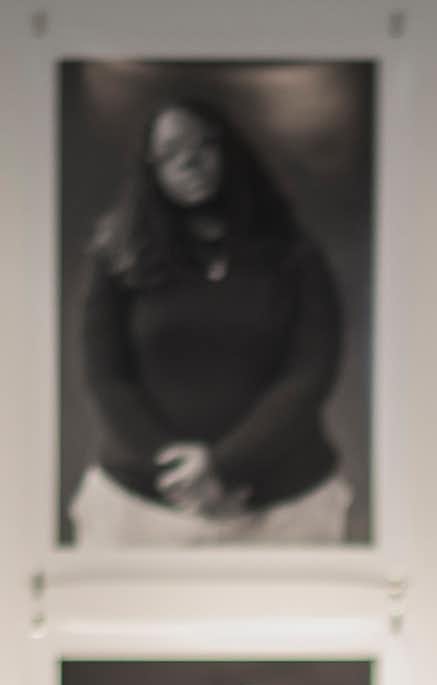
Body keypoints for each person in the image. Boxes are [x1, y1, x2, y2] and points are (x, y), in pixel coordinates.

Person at [71, 93, 355, 548]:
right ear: (150, 171)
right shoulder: (118, 257)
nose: (188, 163)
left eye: (200, 146)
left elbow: (309, 373)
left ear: (227, 149)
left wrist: (223, 464)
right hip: (140, 514)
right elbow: (108, 378)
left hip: (285, 514)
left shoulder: (294, 255)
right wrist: (184, 477)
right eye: (167, 154)